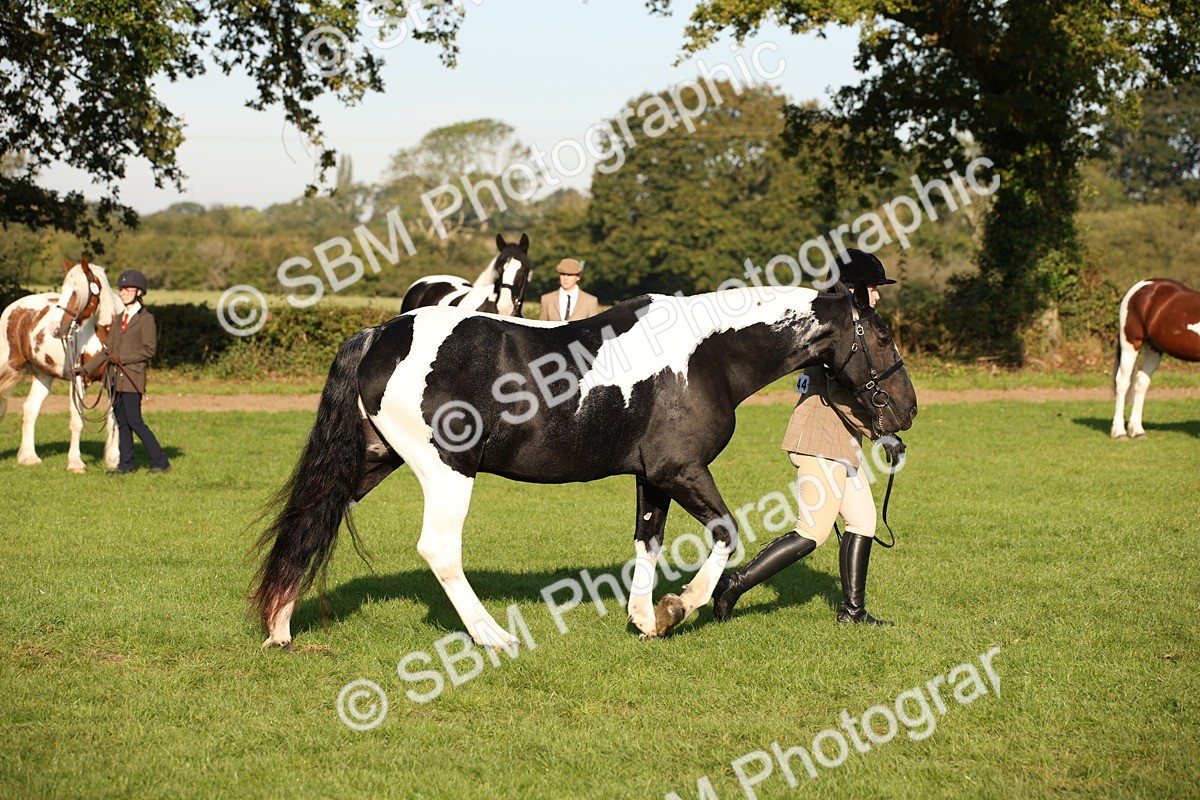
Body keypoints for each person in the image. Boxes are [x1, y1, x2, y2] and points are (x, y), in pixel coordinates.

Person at [711, 249, 904, 625]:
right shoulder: (834, 335)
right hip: (818, 441)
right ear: (852, 289)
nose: (878, 296)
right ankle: (732, 584)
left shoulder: (844, 328)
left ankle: (852, 611)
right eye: (872, 288)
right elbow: (839, 397)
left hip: (842, 445)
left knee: (863, 522)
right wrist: (882, 433)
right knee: (812, 531)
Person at [78, 269, 171, 475]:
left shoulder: (146, 319)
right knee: (122, 423)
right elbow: (107, 350)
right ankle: (126, 465)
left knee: (135, 421)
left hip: (132, 379)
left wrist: (123, 359)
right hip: (114, 380)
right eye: (121, 289)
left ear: (138, 292)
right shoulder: (119, 317)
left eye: (127, 290)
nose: (123, 293)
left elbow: (149, 350)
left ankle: (161, 461)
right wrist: (85, 369)